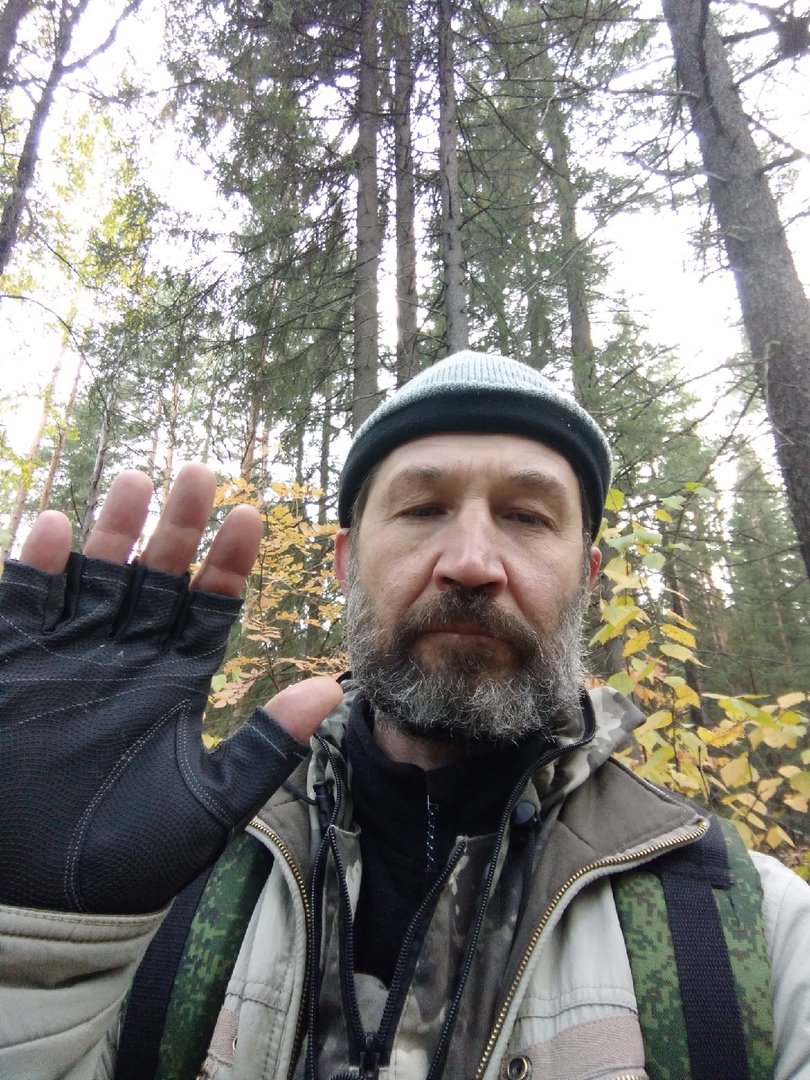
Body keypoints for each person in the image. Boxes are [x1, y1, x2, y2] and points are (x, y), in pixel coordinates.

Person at [0, 351, 808, 1080]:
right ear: (347, 562)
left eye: (528, 517)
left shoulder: (756, 933)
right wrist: (33, 953)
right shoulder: (165, 873)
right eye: (422, 509)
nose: (471, 563)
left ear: (587, 575)